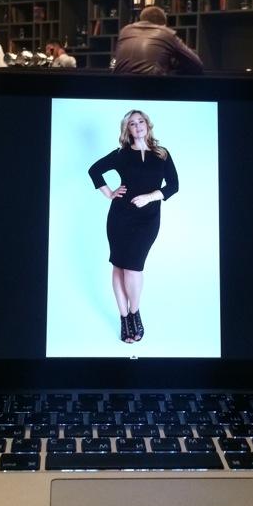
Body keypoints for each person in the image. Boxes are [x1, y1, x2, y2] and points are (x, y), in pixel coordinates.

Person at [88, 109, 179, 344]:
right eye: (132, 123)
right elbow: (94, 170)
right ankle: (124, 318)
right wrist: (109, 193)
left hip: (148, 219)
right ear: (127, 129)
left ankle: (135, 312)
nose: (137, 126)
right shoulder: (121, 154)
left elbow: (174, 185)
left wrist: (149, 197)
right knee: (119, 265)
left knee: (133, 267)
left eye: (140, 121)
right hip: (120, 216)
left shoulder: (162, 154)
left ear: (147, 124)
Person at [112, 5, 203, 75]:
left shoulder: (125, 31)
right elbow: (197, 64)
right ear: (163, 24)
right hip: (151, 88)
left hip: (118, 87)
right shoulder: (166, 33)